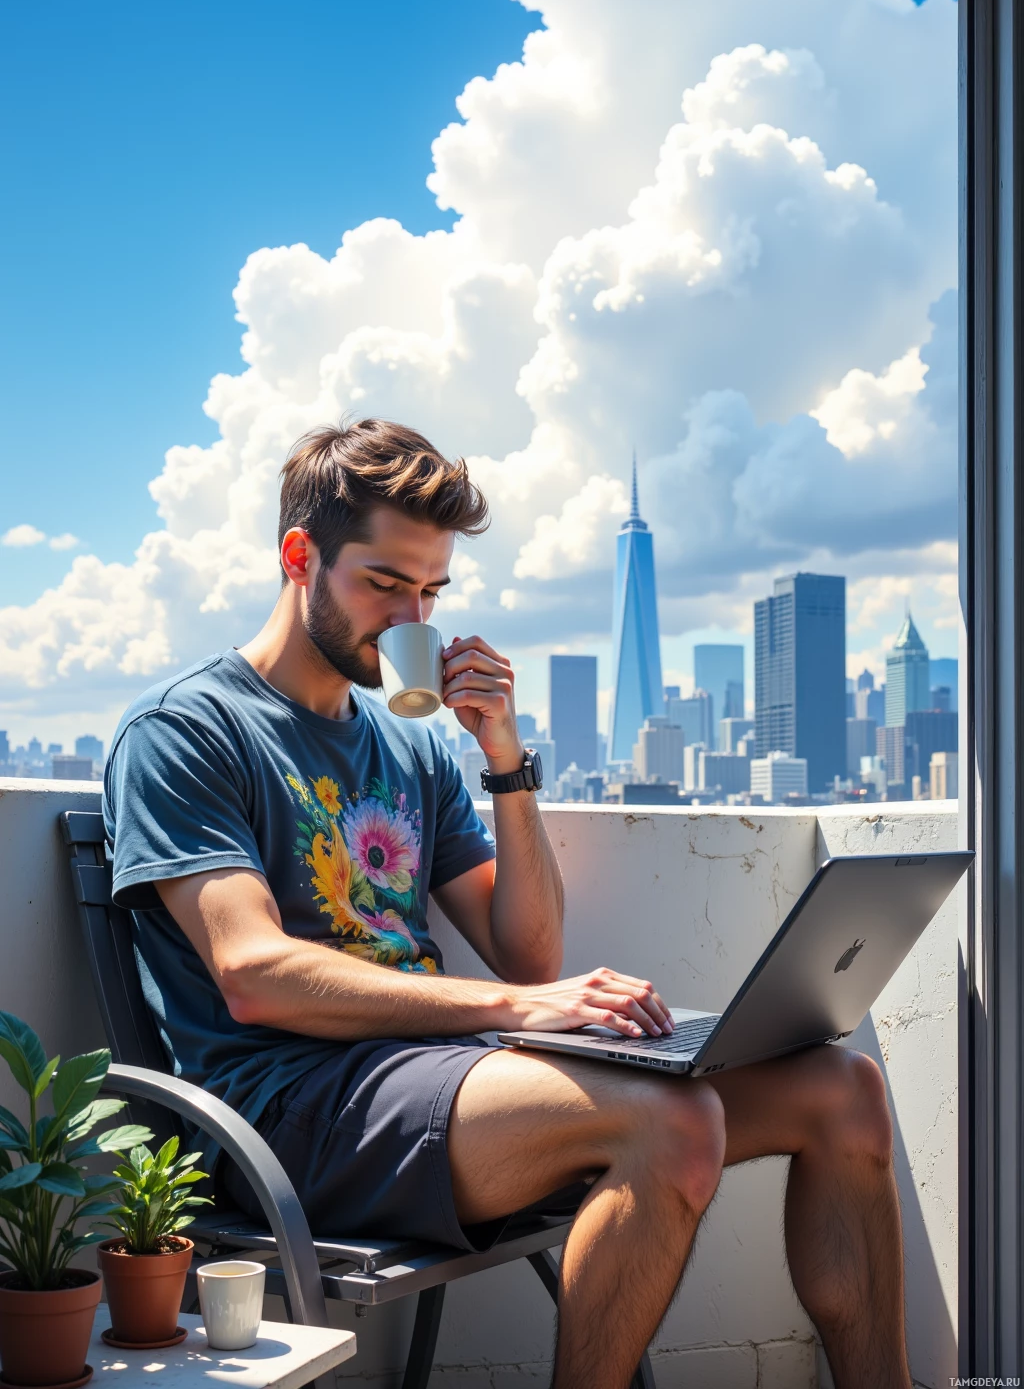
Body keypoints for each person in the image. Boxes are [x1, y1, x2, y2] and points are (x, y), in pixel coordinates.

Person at [104, 419, 909, 1389]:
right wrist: (522, 1012)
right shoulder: (187, 732)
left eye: (431, 593)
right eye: (384, 584)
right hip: (294, 1115)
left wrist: (502, 758)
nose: (410, 620)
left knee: (841, 1092)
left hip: (444, 1083)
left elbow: (526, 951)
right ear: (298, 557)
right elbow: (253, 975)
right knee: (674, 1123)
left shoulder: (409, 745)